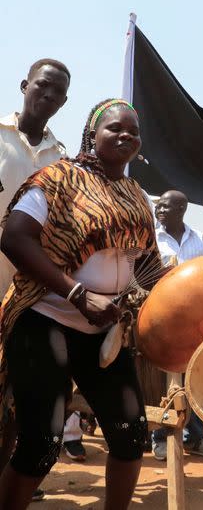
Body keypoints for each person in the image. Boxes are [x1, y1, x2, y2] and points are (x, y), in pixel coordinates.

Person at [0, 98, 162, 510]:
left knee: (130, 436)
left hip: (103, 332)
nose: (126, 135)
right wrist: (76, 293)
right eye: (114, 128)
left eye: (133, 131)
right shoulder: (58, 178)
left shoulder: (136, 195)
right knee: (41, 442)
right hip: (45, 320)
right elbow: (15, 237)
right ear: (92, 134)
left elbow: (146, 262)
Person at [0, 59, 72, 501]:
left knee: (16, 389)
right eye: (42, 85)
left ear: (63, 102)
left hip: (28, 289)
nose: (47, 95)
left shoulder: (60, 156)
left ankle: (11, 474)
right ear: (25, 85)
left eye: (58, 92)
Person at [151, 190, 203, 461]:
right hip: (161, 316)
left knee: (190, 379)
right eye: (159, 206)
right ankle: (159, 438)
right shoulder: (152, 236)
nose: (160, 211)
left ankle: (194, 438)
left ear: (182, 208)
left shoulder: (198, 239)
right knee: (163, 381)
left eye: (167, 207)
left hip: (193, 321)